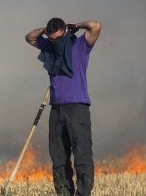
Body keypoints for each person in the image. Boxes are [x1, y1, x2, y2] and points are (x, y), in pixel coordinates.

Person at [25, 18, 102, 196]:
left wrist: (77, 25)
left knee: (82, 155)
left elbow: (96, 26)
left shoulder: (80, 45)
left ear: (65, 32)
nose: (55, 42)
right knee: (58, 157)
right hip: (56, 109)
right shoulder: (50, 49)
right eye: (52, 39)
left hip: (78, 108)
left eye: (58, 38)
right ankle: (64, 193)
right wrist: (45, 30)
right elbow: (29, 37)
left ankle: (83, 193)